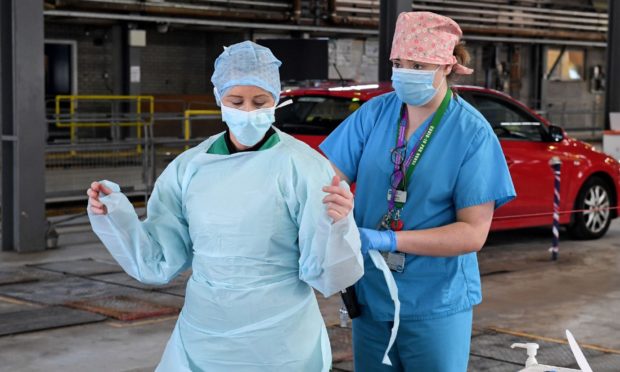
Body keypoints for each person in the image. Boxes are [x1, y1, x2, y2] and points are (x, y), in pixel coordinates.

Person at [87, 40, 363, 372]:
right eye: (237, 101)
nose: (248, 111)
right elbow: (157, 261)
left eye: (260, 101)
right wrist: (115, 216)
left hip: (280, 338)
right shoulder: (189, 168)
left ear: (276, 99)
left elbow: (326, 275)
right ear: (219, 99)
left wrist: (339, 225)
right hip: (206, 334)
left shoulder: (303, 166)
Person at [319, 12, 516, 371]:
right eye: (398, 63)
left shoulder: (471, 133)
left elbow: (472, 233)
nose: (404, 72)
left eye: (418, 64)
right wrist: (335, 200)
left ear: (446, 66)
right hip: (371, 293)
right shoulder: (376, 113)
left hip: (435, 300)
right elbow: (326, 178)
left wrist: (388, 241)